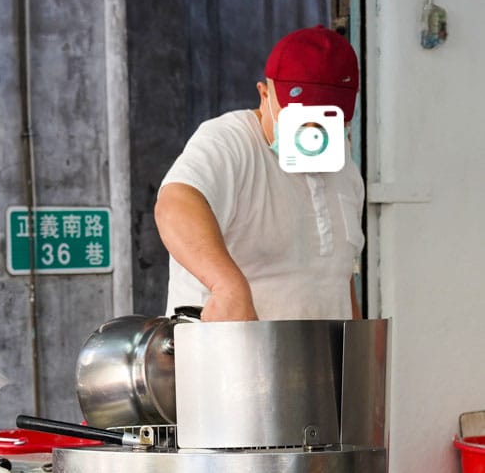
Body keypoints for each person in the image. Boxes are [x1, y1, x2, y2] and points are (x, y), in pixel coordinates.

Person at [154, 25, 364, 321]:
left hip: (317, 363)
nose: (313, 133)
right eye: (301, 120)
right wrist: (226, 287)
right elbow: (175, 205)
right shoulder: (228, 142)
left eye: (327, 121)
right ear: (264, 94)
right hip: (224, 359)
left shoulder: (344, 166)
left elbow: (339, 280)